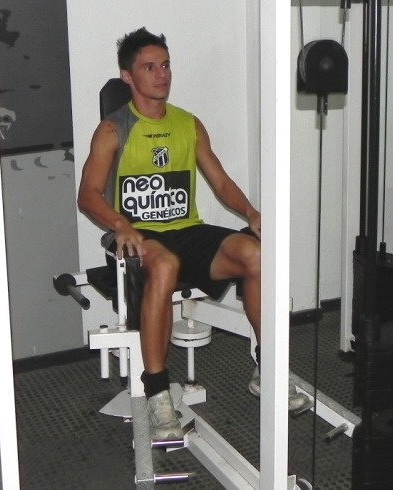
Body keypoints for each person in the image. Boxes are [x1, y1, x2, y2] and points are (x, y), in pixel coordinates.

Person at [78, 27, 310, 441]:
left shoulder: (188, 124)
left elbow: (220, 182)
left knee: (256, 255)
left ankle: (268, 368)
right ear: (128, 76)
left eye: (165, 65)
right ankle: (157, 394)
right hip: (137, 235)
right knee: (166, 265)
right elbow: (88, 195)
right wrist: (120, 224)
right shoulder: (113, 130)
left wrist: (251, 213)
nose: (161, 74)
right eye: (149, 67)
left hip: (186, 229)